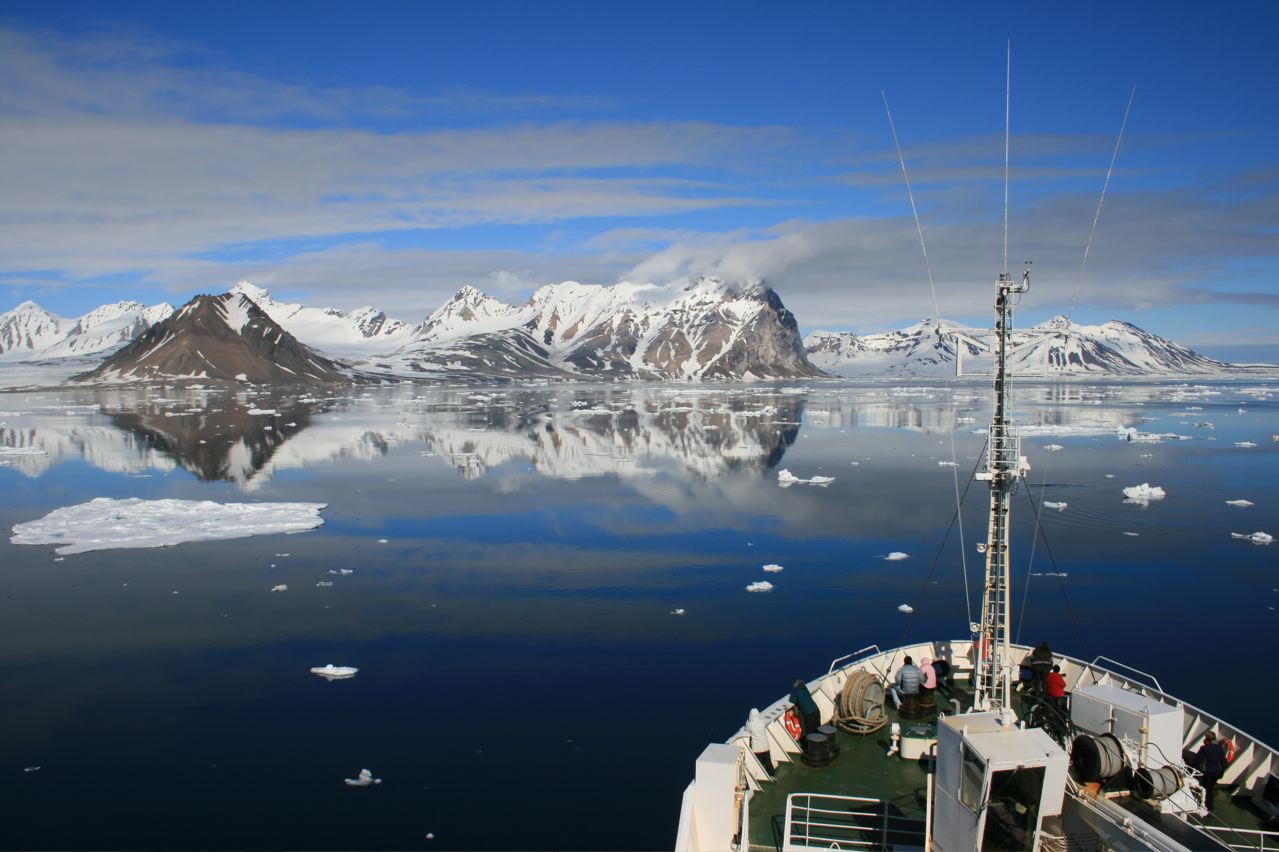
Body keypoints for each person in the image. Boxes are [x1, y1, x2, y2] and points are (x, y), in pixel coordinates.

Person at [1195, 731, 1228, 813]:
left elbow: (1198, 760)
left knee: (1208, 789)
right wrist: (1221, 772)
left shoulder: (1204, 748)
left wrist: (1198, 769)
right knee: (1211, 788)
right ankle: (1209, 805)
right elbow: (1223, 762)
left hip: (1207, 773)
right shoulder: (1219, 749)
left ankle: (1208, 807)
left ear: (1206, 739)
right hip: (1216, 772)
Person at [747, 708, 773, 775]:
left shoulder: (750, 724)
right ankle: (771, 774)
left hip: (757, 748)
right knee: (768, 762)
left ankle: (762, 775)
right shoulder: (762, 721)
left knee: (760, 764)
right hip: (765, 746)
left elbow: (747, 729)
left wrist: (747, 722)